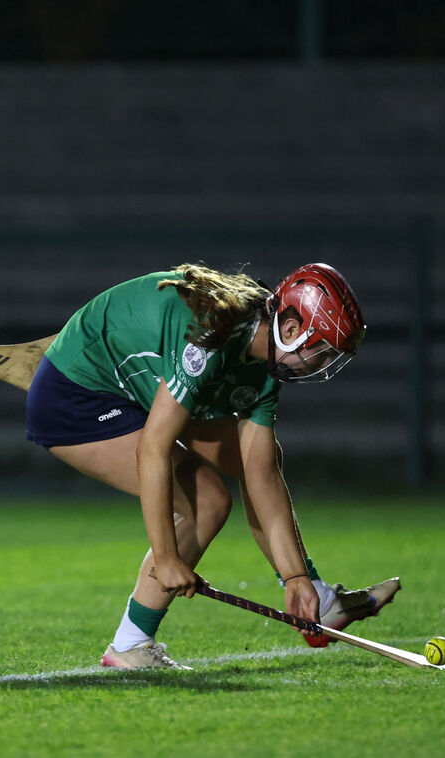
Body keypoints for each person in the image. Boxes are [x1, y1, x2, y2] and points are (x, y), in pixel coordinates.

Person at [26, 262, 399, 669]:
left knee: (258, 460)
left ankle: (315, 596)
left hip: (137, 382)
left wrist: (295, 579)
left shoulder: (263, 362)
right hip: (79, 395)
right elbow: (153, 449)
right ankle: (130, 645)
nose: (322, 366)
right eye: (321, 351)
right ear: (292, 330)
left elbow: (261, 476)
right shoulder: (208, 338)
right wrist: (167, 558)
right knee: (208, 502)